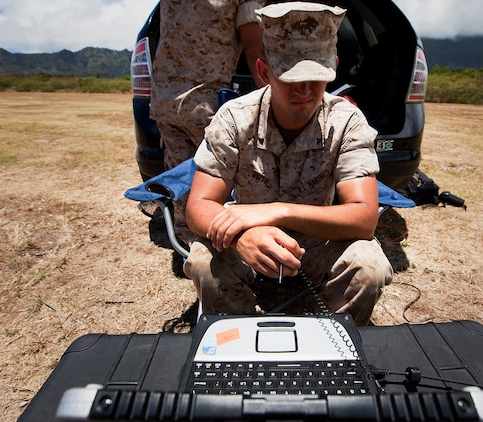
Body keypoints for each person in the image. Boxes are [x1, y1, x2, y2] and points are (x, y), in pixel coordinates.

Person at [184, 1, 394, 326]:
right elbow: (198, 205)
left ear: (334, 67)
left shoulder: (347, 121)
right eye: (290, 77)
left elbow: (364, 218)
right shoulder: (234, 118)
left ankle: (332, 347)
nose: (305, 90)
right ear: (265, 72)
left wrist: (278, 210)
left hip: (317, 248)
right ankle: (235, 342)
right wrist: (242, 237)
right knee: (202, 260)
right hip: (250, 245)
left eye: (317, 77)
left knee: (369, 266)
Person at [150, 0, 266, 243]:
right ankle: (222, 252)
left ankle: (190, 249)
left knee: (182, 183)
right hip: (205, 105)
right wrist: (273, 101)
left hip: (165, 99)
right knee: (226, 184)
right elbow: (255, 50)